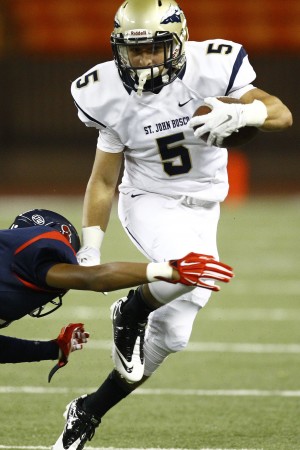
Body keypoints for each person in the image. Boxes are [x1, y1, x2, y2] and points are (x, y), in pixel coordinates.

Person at [52, 0, 292, 448]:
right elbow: (104, 179)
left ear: (179, 42)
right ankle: (132, 310)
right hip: (149, 200)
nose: (142, 60)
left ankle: (87, 410)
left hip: (205, 205)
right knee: (192, 269)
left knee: (174, 337)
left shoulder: (214, 65)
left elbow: (281, 113)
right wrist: (90, 247)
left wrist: (246, 113)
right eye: (133, 50)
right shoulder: (103, 91)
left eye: (155, 48)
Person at [0, 207, 232, 381]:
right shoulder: (37, 253)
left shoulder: (14, 261)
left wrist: (53, 349)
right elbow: (95, 278)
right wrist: (169, 270)